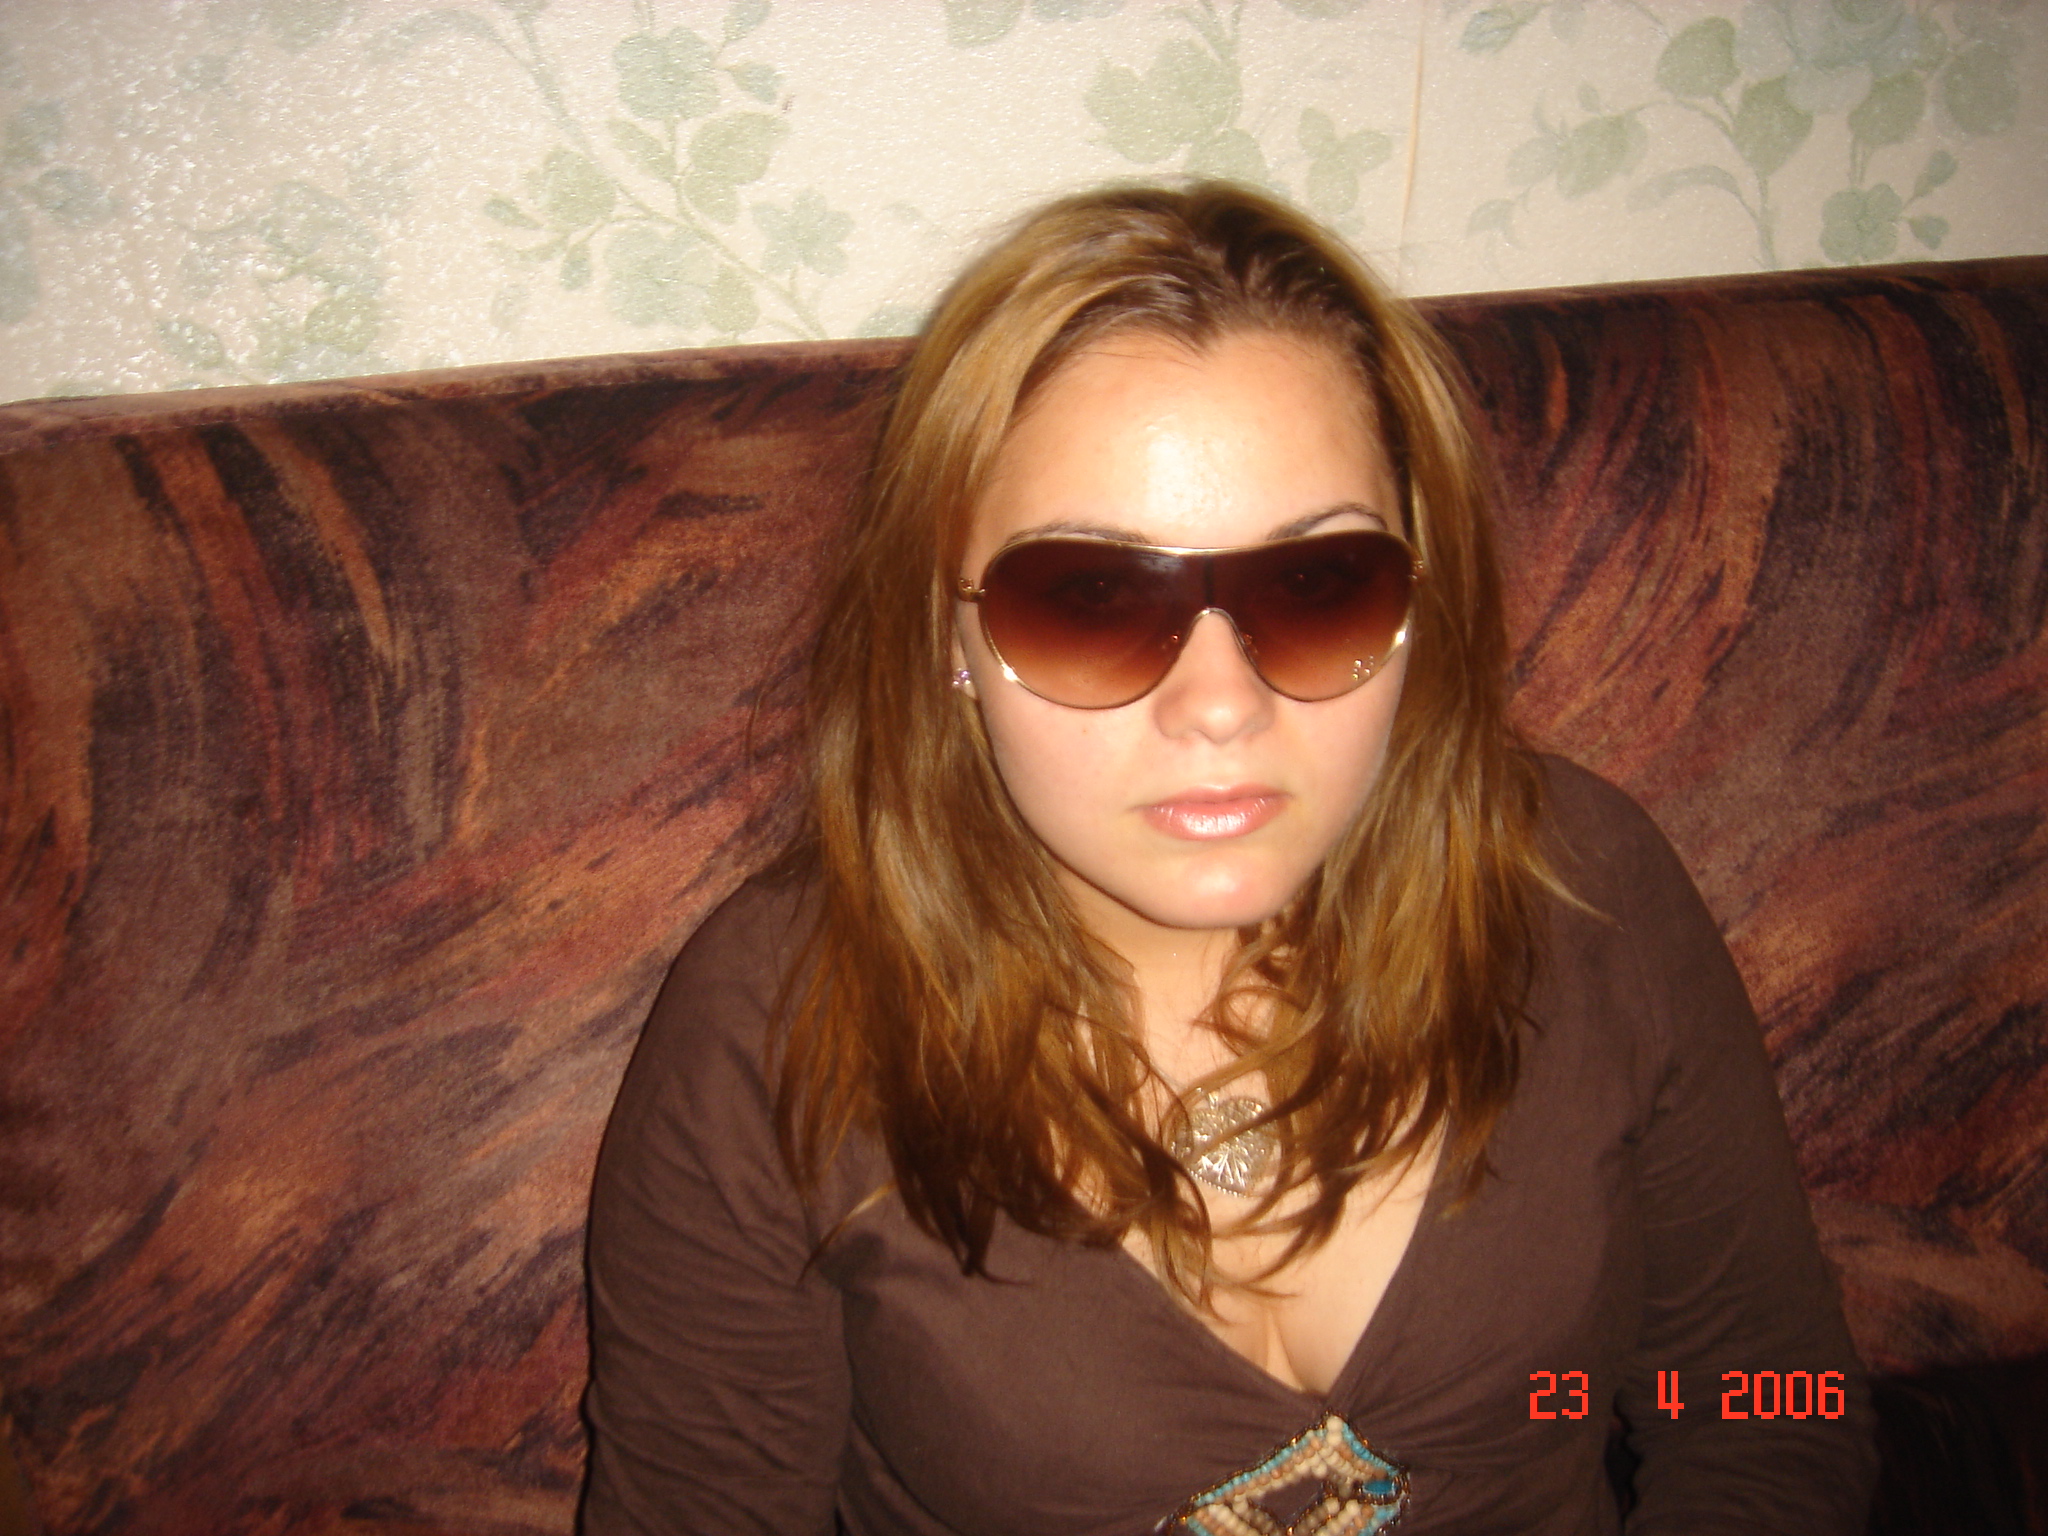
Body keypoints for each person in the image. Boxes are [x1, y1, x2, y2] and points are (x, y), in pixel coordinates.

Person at [582, 182, 1877, 1534]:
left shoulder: (1579, 892)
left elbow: (1765, 1411)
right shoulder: (777, 1027)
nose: (1220, 706)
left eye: (1317, 586)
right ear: (943, 635)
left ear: (1419, 599)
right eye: (1090, 597)